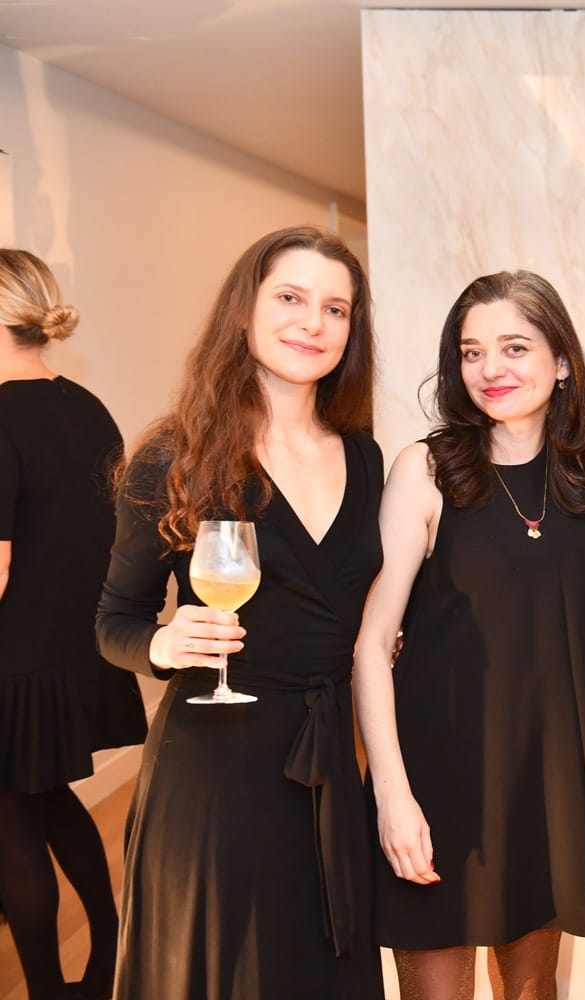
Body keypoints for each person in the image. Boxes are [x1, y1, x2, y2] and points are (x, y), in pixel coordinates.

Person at [96, 226, 384, 999]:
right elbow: (113, 621)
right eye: (290, 298)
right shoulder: (176, 454)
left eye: (336, 309)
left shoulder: (363, 455)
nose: (312, 323)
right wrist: (163, 642)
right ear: (245, 311)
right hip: (216, 771)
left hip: (326, 758)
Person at [353, 271, 585, 1000]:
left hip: (545, 785)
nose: (491, 369)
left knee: (532, 994)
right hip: (437, 780)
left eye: (514, 346)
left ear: (563, 359)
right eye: (472, 352)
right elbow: (373, 644)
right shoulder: (428, 469)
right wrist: (392, 796)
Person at [0, 249, 146, 1000]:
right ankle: (112, 940)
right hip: (77, 651)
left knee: (11, 823)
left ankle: (48, 991)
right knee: (49, 794)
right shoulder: (86, 405)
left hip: (15, 659)